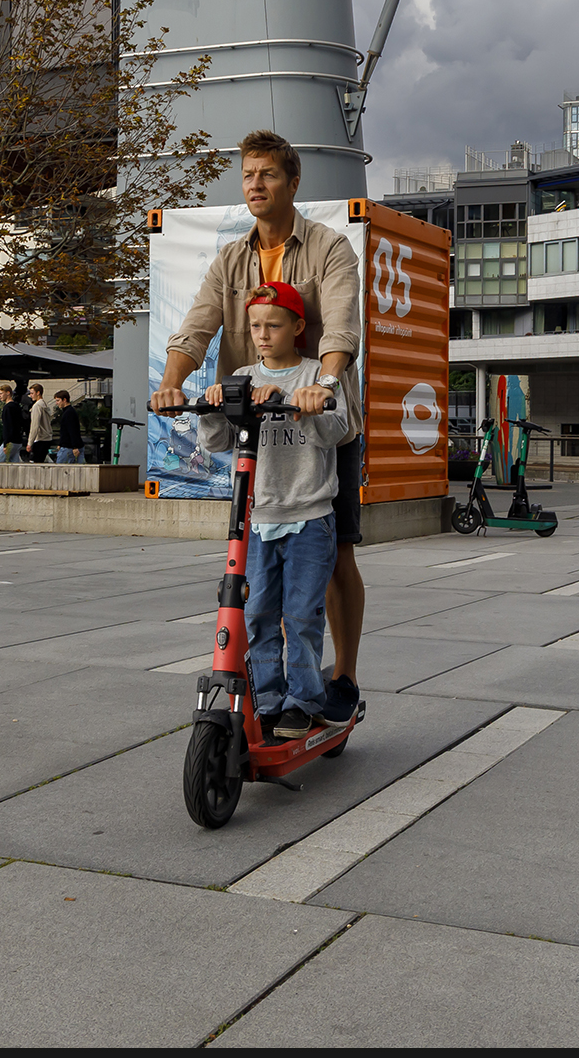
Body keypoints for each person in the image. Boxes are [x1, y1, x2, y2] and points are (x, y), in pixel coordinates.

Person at [150, 129, 364, 725]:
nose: (255, 185)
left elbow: (342, 323)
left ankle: (340, 674)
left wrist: (325, 383)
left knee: (334, 549)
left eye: (267, 175)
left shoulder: (328, 248)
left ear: (292, 183)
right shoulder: (231, 259)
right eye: (247, 176)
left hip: (321, 416)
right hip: (253, 423)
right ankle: (267, 687)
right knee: (258, 566)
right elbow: (196, 326)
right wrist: (173, 383)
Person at [197, 282, 350, 737]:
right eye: (256, 326)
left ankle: (302, 700)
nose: (263, 334)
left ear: (298, 326)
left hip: (309, 517)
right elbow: (217, 442)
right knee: (259, 613)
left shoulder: (314, 375)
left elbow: (337, 430)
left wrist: (312, 406)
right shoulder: (242, 377)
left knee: (301, 615)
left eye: (274, 325)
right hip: (257, 521)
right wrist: (212, 408)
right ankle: (267, 700)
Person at [0, 385, 26, 463]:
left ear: (8, 393)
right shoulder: (17, 406)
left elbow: (8, 426)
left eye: (1, 393)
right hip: (18, 441)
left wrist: (6, 443)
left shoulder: (7, 408)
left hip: (10, 442)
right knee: (14, 463)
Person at [53, 390, 84, 464]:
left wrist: (75, 447)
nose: (56, 403)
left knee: (60, 471)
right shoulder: (70, 412)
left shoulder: (68, 413)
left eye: (58, 400)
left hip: (69, 447)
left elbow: (72, 430)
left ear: (64, 400)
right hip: (72, 446)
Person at [25, 383, 53, 463]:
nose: (30, 395)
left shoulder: (36, 406)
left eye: (32, 393)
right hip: (47, 437)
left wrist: (30, 443)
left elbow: (35, 425)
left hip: (40, 438)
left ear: (38, 393)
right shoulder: (44, 404)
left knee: (35, 463)